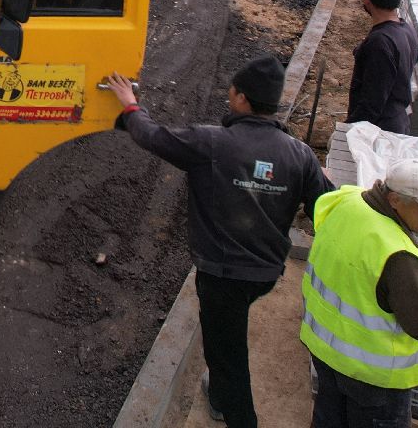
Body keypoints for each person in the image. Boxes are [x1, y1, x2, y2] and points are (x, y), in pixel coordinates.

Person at [104, 57, 331, 428]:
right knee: (225, 338)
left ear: (241, 98)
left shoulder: (212, 142)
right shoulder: (300, 154)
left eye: (233, 89)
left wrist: (130, 105)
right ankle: (222, 394)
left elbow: (154, 137)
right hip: (265, 273)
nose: (229, 93)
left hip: (223, 275)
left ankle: (236, 413)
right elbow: (326, 205)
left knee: (228, 358)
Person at [302, 157, 418, 428]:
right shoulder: (398, 257)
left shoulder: (346, 201)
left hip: (326, 354)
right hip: (374, 380)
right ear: (394, 200)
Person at [348, 0, 418, 133]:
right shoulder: (406, 29)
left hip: (379, 131)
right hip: (398, 120)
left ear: (368, 1)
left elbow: (372, 101)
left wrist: (350, 130)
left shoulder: (380, 42)